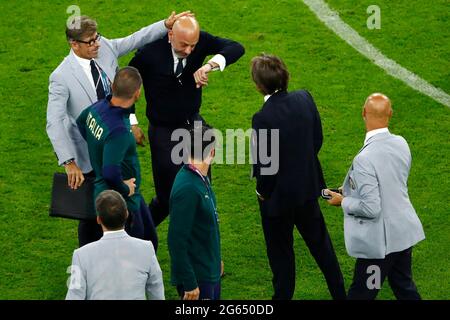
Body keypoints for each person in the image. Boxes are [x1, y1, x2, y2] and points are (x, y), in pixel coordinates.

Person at [46, 11, 190, 247]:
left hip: (118, 147)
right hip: (90, 156)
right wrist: (69, 161)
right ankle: (88, 263)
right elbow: (54, 120)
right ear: (74, 44)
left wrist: (165, 25)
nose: (96, 45)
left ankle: (126, 251)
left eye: (97, 37)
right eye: (90, 41)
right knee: (92, 216)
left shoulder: (106, 49)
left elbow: (136, 38)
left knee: (124, 202)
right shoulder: (61, 77)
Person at [129, 16, 245, 226]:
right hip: (163, 131)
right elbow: (127, 81)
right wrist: (132, 122)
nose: (190, 51)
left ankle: (202, 238)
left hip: (194, 125)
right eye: (184, 45)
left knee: (202, 191)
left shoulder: (198, 42)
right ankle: (136, 233)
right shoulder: (149, 53)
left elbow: (236, 48)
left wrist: (209, 66)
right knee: (166, 198)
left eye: (193, 45)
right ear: (170, 35)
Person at [250, 54, 346, 300]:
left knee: (282, 261)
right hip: (306, 191)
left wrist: (262, 192)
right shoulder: (304, 98)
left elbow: (266, 167)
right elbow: (317, 140)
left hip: (277, 202)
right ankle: (340, 295)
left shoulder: (263, 118)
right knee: (323, 250)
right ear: (285, 75)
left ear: (259, 85)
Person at [326, 93, 425, 300]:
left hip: (382, 245)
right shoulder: (401, 143)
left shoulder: (365, 158)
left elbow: (371, 208)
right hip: (404, 234)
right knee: (404, 287)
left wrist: (343, 201)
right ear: (391, 113)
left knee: (361, 294)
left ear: (363, 113)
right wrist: (351, 191)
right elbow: (389, 182)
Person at [76, 66, 158, 248]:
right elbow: (111, 173)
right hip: (122, 201)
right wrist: (124, 187)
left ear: (112, 86)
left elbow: (80, 122)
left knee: (151, 239)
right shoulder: (119, 132)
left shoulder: (97, 108)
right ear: (137, 94)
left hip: (118, 194)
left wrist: (96, 147)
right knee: (137, 249)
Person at [66, 190, 164, 300]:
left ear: (98, 220)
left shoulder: (81, 255)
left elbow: (74, 295)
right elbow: (157, 291)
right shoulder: (146, 249)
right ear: (126, 214)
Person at [168, 124, 221, 300]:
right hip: (198, 279)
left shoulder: (199, 177)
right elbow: (176, 241)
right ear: (212, 152)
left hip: (208, 268)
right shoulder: (188, 189)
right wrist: (190, 283)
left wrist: (215, 260)